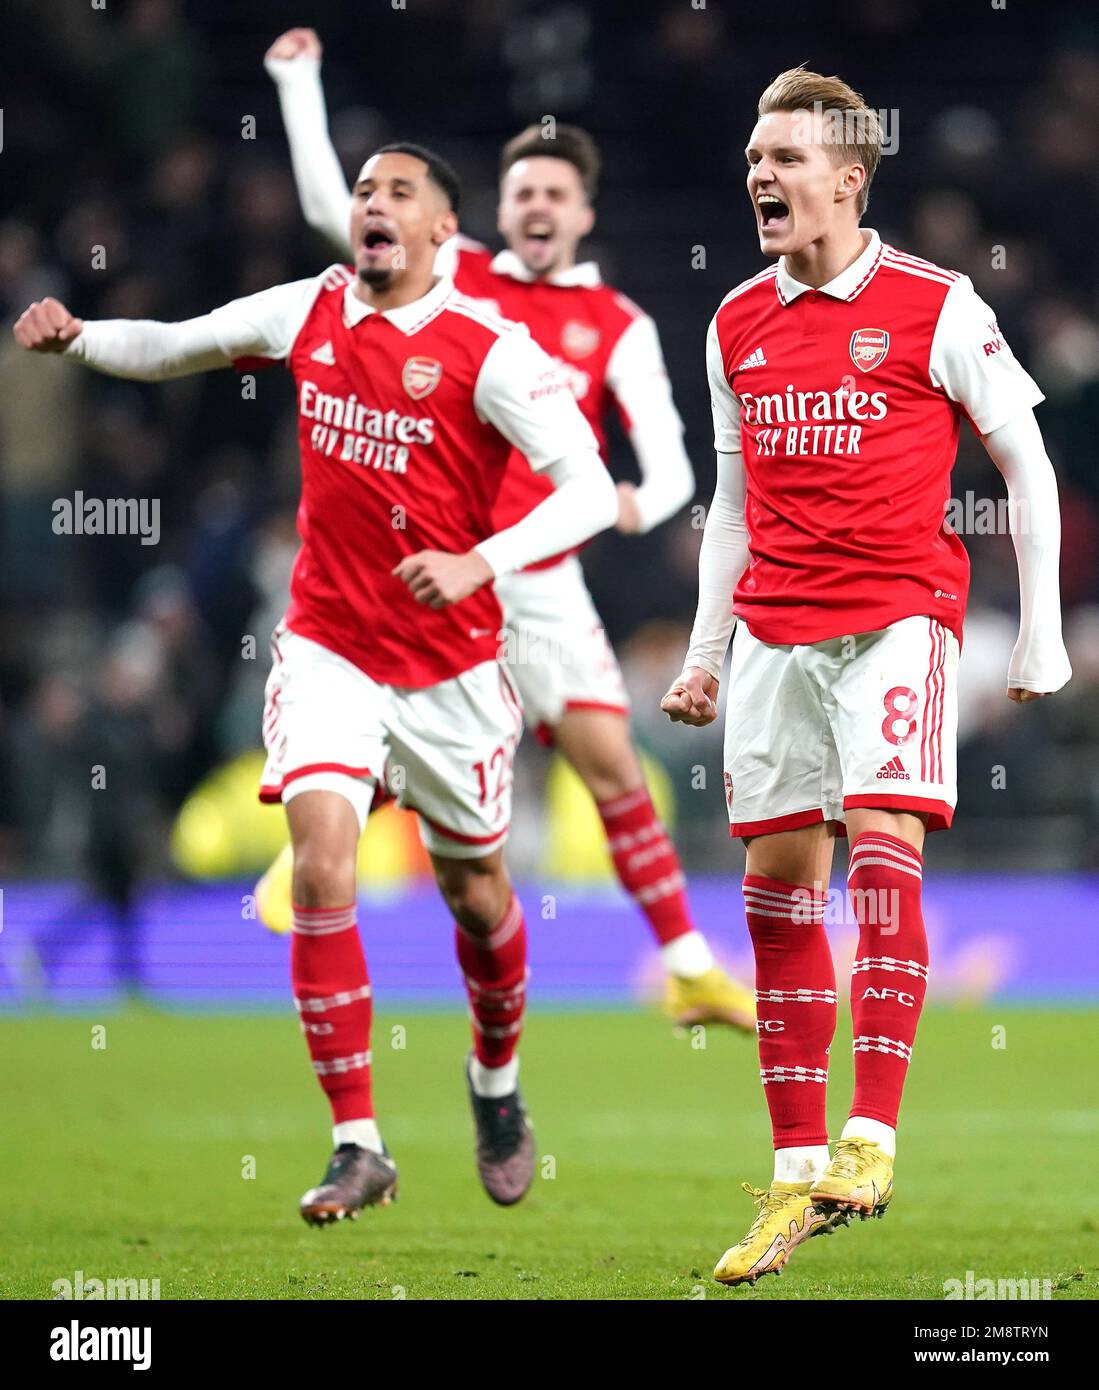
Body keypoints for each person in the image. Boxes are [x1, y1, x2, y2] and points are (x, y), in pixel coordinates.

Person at [15, 143, 618, 1223]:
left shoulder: (491, 348)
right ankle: (358, 1142)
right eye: (365, 191)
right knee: (322, 863)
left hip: (452, 669)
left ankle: (494, 1084)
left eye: (400, 194)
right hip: (329, 644)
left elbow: (587, 490)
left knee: (479, 900)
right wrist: (82, 339)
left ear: (444, 230)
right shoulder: (311, 308)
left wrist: (483, 560)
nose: (373, 206)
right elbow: (176, 343)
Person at [256, 27, 755, 1032]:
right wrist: (298, 82)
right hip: (428, 567)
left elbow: (668, 469)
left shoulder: (617, 322)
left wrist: (631, 502)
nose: (535, 206)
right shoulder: (458, 278)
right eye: (521, 191)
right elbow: (326, 212)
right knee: (385, 733)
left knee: (610, 763)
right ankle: (301, 859)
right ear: (495, 209)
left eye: (554, 194)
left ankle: (690, 968)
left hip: (534, 579)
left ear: (583, 214)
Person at [660, 67, 1072, 1285]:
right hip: (773, 632)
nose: (760, 178)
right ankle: (793, 1181)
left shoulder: (935, 305)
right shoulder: (733, 318)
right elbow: (730, 505)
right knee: (777, 895)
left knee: (884, 841)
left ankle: (871, 1135)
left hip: (899, 616)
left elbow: (1026, 459)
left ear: (849, 174)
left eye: (784, 159)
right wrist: (703, 649)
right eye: (752, 159)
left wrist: (1036, 628)